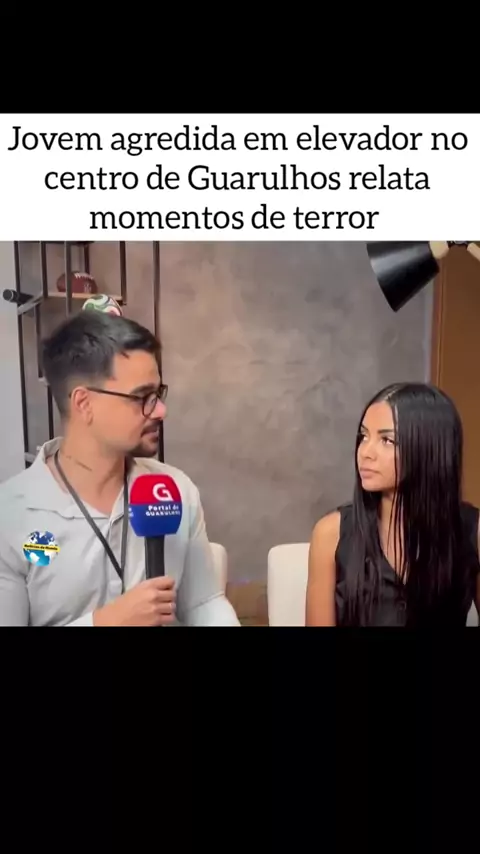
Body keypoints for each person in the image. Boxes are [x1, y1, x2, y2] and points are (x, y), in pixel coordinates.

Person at [0, 311, 240, 627]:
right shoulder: (10, 515)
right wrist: (103, 623)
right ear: (84, 403)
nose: (161, 410)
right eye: (142, 397)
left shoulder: (173, 488)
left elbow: (203, 602)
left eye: (158, 394)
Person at [306, 382, 480, 627]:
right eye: (363, 436)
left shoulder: (473, 531)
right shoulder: (330, 533)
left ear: (428, 448)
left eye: (386, 440)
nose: (365, 452)